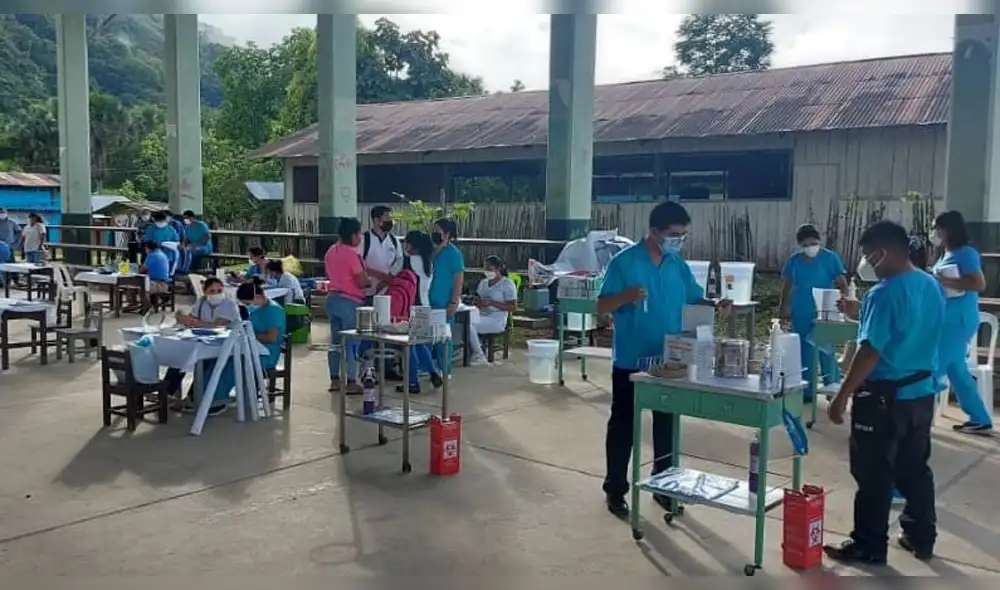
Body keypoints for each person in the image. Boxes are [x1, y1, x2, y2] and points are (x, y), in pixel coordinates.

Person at [597, 201, 731, 518]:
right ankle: (615, 489)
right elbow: (601, 306)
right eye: (673, 235)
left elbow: (694, 298)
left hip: (670, 360)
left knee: (667, 426)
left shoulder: (677, 264)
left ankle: (664, 487)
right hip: (633, 359)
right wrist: (627, 297)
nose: (678, 240)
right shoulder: (625, 263)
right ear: (653, 231)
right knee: (624, 424)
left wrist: (715, 304)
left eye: (682, 235)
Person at [823, 220, 944, 565]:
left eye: (866, 256)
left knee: (873, 472)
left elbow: (870, 351)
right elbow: (906, 325)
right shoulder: (929, 284)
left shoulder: (884, 292)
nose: (865, 264)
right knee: (914, 469)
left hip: (883, 399)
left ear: (882, 253)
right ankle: (921, 536)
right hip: (920, 394)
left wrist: (843, 394)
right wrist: (859, 312)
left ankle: (869, 544)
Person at [929, 211, 991, 435]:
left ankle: (920, 413)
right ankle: (980, 418)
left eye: (937, 228)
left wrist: (946, 280)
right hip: (946, 318)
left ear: (949, 229)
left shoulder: (966, 253)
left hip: (958, 320)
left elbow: (978, 283)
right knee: (957, 370)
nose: (934, 232)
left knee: (933, 367)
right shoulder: (946, 253)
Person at [779, 224, 849, 401]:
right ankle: (807, 390)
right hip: (801, 309)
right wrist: (783, 307)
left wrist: (845, 302)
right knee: (804, 351)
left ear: (819, 242)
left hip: (825, 308)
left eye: (813, 243)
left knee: (827, 351)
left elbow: (842, 283)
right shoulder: (794, 261)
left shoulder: (830, 258)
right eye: (806, 244)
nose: (810, 247)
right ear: (800, 245)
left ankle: (832, 389)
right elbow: (787, 286)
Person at [164, 277, 241, 402]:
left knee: (203, 361)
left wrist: (195, 322)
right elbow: (192, 318)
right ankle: (167, 392)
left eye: (219, 290)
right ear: (205, 292)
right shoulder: (201, 302)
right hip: (204, 341)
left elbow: (219, 326)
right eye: (212, 291)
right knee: (180, 356)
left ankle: (193, 397)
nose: (216, 294)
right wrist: (183, 319)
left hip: (225, 345)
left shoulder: (229, 305)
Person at [325, 217, 369, 394]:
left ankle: (335, 380)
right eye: (359, 234)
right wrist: (370, 281)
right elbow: (361, 281)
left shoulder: (331, 251)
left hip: (333, 298)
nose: (360, 239)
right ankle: (351, 380)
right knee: (351, 342)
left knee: (335, 342)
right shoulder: (351, 254)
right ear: (352, 235)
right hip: (350, 301)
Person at [395, 231, 442, 394]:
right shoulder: (428, 262)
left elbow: (391, 277)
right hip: (425, 306)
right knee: (421, 344)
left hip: (408, 307)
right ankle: (433, 372)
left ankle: (412, 382)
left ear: (411, 245)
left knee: (408, 348)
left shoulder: (404, 261)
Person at [429, 218, 465, 377]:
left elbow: (458, 279)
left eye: (438, 231)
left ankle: (445, 370)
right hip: (428, 301)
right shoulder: (433, 251)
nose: (434, 234)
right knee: (430, 337)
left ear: (447, 234)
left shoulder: (454, 254)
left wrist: (453, 301)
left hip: (444, 301)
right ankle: (431, 369)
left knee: (443, 337)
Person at [469, 255, 517, 365]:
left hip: (497, 319)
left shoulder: (507, 284)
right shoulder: (483, 283)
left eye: (489, 269)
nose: (487, 271)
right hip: (481, 314)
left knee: (469, 326)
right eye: (485, 268)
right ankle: (472, 347)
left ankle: (479, 354)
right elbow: (478, 299)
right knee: (462, 322)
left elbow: (513, 307)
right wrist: (478, 302)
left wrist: (492, 303)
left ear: (498, 268)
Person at [237, 278, 287, 374]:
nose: (247, 306)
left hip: (266, 354)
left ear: (258, 297)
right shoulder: (256, 309)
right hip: (253, 349)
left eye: (247, 303)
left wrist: (249, 336)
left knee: (234, 365)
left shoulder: (273, 311)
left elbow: (271, 338)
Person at [358, 205, 403, 300]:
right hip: (367, 293)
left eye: (391, 218)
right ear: (376, 220)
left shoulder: (394, 241)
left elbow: (399, 263)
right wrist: (380, 276)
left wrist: (387, 280)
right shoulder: (364, 239)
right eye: (387, 218)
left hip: (389, 292)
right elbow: (357, 265)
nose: (390, 222)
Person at [139, 240, 172, 308]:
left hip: (157, 284)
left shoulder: (151, 256)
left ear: (147, 248)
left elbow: (141, 270)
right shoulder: (163, 254)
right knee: (146, 282)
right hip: (165, 284)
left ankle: (146, 307)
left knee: (139, 286)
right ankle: (152, 303)